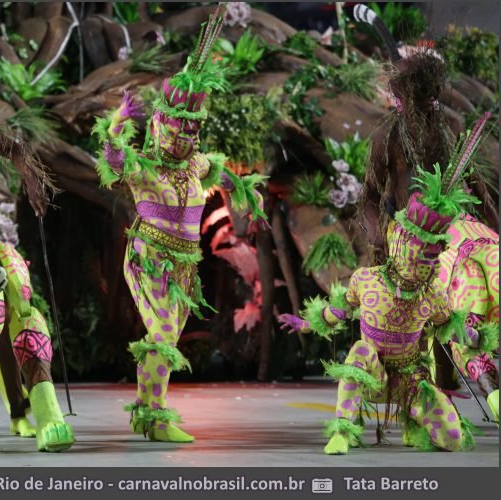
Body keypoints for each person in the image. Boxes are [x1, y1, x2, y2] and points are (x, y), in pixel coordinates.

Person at [92, 4, 267, 443]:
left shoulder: (196, 165)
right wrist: (115, 130)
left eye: (192, 132)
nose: (186, 138)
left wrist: (248, 192)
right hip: (149, 257)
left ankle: (147, 413)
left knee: (166, 336)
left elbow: (223, 173)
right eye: (178, 130)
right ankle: (155, 415)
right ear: (158, 127)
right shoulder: (146, 168)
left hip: (185, 265)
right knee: (164, 332)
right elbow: (116, 161)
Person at [279, 114, 497, 454]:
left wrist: (481, 337)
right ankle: (343, 430)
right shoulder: (367, 281)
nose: (424, 262)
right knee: (360, 352)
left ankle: (414, 422)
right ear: (399, 243)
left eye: (431, 256)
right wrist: (305, 322)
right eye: (419, 252)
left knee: (453, 440)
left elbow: (456, 330)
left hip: (411, 381)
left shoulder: (431, 295)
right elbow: (337, 313)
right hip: (374, 376)